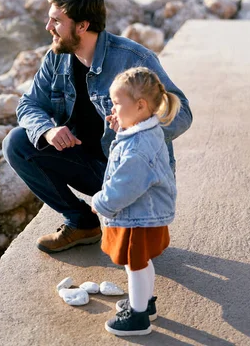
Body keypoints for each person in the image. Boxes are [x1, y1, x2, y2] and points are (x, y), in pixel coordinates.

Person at [2, 0, 192, 255]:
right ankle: (81, 223)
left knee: (135, 255)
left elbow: (182, 112)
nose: (48, 27)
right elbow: (29, 104)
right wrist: (47, 131)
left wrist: (134, 128)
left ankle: (134, 217)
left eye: (56, 20)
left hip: (132, 173)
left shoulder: (133, 60)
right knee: (17, 143)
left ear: (82, 26)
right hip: (87, 164)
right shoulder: (57, 57)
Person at [91, 67, 179, 336]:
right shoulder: (142, 132)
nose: (113, 109)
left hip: (139, 217)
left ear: (140, 106)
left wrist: (101, 203)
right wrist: (121, 129)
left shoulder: (139, 147)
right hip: (144, 214)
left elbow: (125, 185)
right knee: (140, 263)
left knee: (136, 264)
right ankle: (144, 302)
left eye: (117, 103)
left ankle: (138, 317)